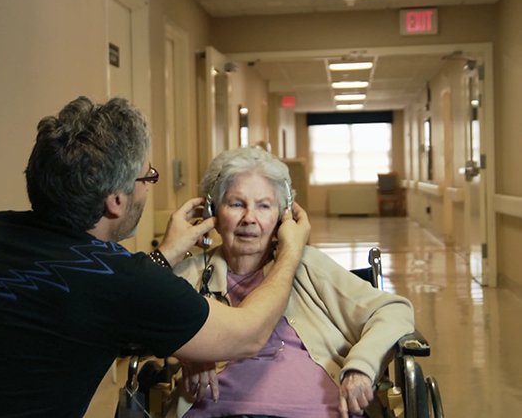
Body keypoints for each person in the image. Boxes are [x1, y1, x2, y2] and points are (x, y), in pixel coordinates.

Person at [0, 97, 311, 418]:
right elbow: (248, 334)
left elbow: (78, 307)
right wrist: (291, 248)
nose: (148, 186)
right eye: (147, 176)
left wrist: (166, 254)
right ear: (116, 201)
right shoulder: (123, 279)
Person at [171, 147, 415, 418]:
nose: (249, 218)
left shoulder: (306, 265)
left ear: (282, 217)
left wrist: (361, 366)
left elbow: (393, 310)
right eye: (236, 204)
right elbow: (135, 320)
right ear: (213, 213)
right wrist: (187, 350)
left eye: (264, 206)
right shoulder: (190, 275)